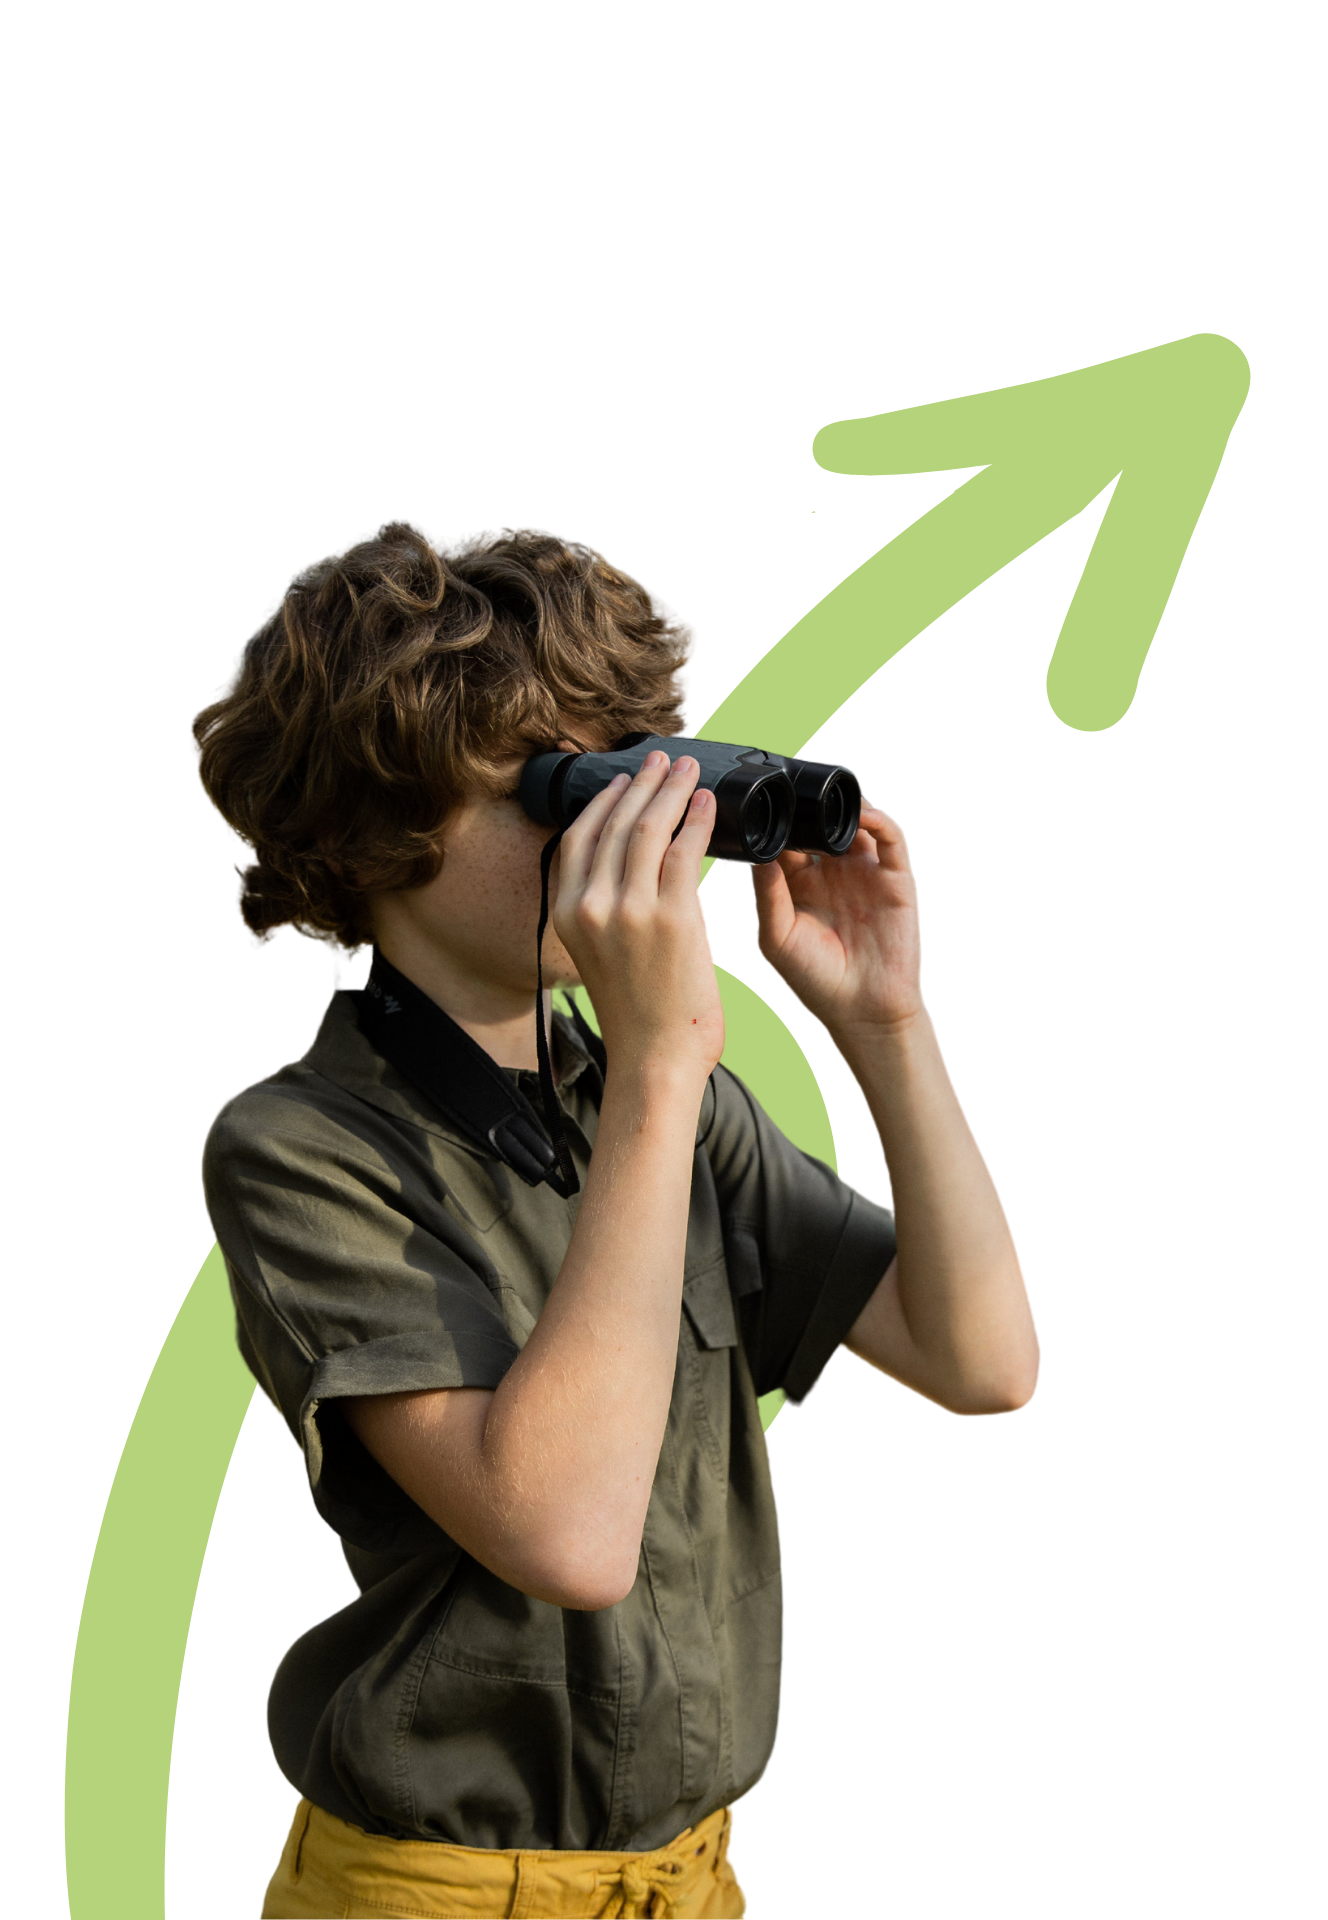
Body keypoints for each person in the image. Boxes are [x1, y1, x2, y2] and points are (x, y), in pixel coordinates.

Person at [192, 522, 1038, 1918]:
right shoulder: (303, 1147)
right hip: (437, 1884)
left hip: (687, 1875)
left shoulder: (654, 1104)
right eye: (565, 783)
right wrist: (659, 1059)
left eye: (644, 770)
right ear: (377, 824)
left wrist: (886, 1025)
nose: (630, 832)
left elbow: (981, 1359)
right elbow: (570, 1537)